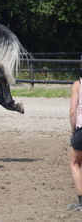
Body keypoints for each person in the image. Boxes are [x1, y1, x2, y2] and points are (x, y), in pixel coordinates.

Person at [68, 69, 82, 210]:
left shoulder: (78, 84)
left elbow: (73, 112)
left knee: (75, 162)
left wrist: (73, 131)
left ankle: (81, 202)